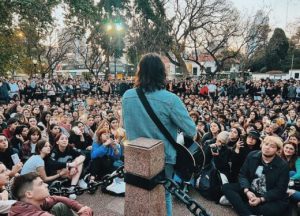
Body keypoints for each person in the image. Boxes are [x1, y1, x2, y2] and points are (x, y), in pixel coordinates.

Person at [122, 53, 196, 216]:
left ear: (140, 72)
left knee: (136, 194)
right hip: (163, 157)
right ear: (162, 73)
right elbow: (192, 130)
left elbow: (123, 125)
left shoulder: (127, 96)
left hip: (135, 156)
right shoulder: (171, 99)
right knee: (164, 196)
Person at [222, 136, 289, 216]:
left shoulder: (282, 165)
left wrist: (261, 199)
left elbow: (280, 189)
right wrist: (247, 191)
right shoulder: (252, 155)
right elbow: (242, 174)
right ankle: (247, 212)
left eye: (272, 146)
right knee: (226, 187)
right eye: (266, 144)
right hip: (251, 189)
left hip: (267, 195)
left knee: (269, 210)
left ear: (277, 150)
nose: (267, 147)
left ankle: (237, 203)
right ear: (261, 144)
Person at [9, 172, 93, 216]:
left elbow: (55, 198)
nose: (47, 185)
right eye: (41, 184)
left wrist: (80, 207)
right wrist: (86, 212)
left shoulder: (28, 203)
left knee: (60, 206)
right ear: (29, 194)